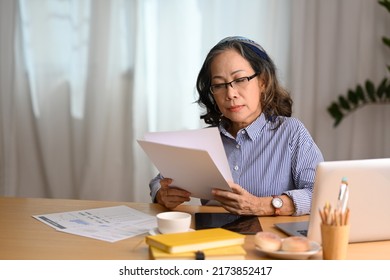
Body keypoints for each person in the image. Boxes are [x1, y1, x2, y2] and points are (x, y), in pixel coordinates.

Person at [149, 36, 324, 216]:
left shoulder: (292, 132)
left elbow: (321, 193)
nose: (230, 93)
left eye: (240, 80)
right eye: (219, 85)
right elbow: (159, 181)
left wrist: (263, 205)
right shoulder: (204, 141)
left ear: (262, 81)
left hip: (271, 240)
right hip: (215, 238)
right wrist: (161, 194)